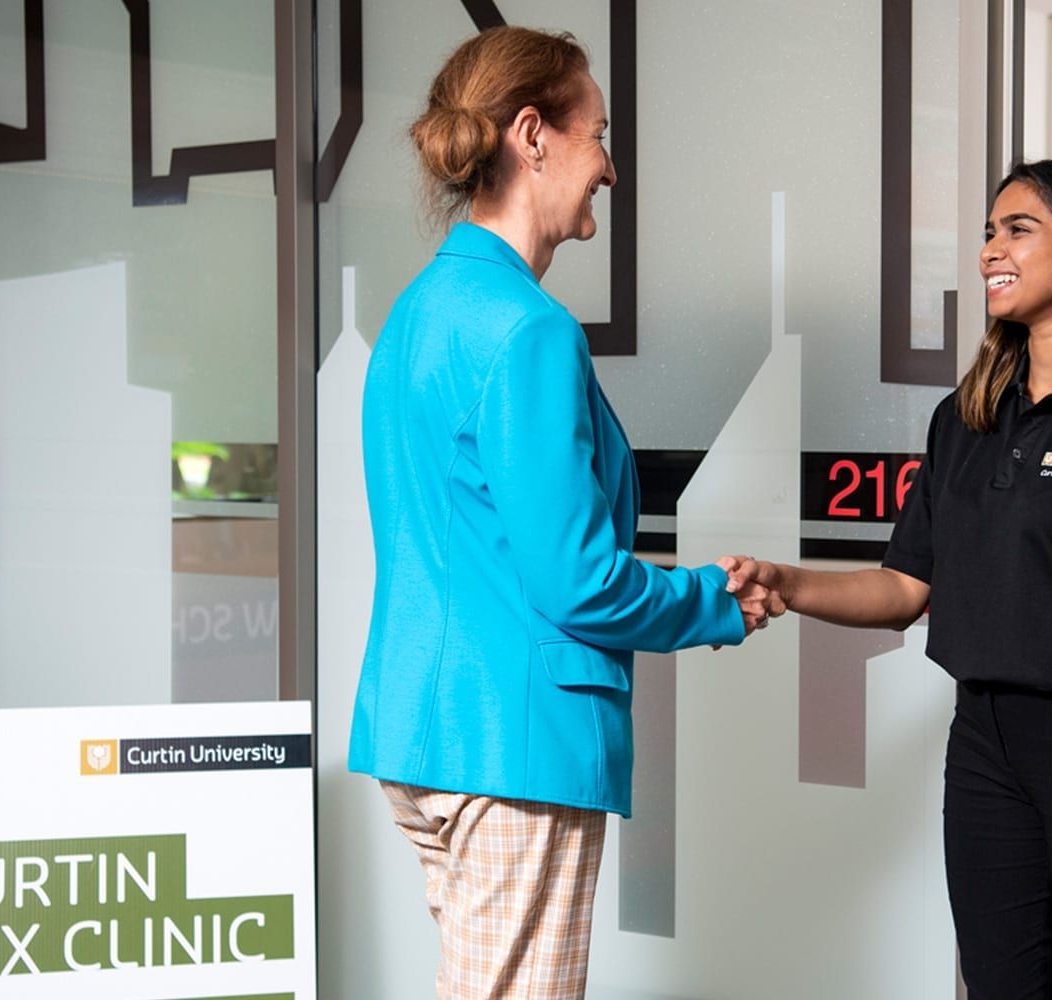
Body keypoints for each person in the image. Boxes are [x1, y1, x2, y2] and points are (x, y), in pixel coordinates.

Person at [750, 158, 1052, 999]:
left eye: (1018, 230)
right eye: (988, 232)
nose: (991, 250)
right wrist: (789, 583)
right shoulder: (968, 416)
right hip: (984, 746)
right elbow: (906, 589)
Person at [349, 27, 778, 999]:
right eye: (598, 134)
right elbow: (573, 577)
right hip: (512, 741)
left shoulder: (417, 312)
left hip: (420, 729)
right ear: (532, 134)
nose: (609, 167)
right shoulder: (526, 330)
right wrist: (714, 600)